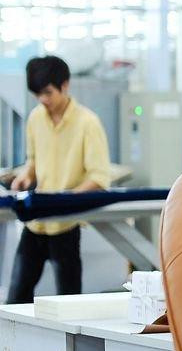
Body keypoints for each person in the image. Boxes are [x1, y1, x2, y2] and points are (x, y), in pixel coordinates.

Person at [7, 55, 112, 303]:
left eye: (48, 93)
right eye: (37, 94)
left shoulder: (88, 123)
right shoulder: (35, 119)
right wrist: (25, 175)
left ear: (65, 85)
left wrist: (68, 200)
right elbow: (34, 160)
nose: (43, 100)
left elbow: (99, 177)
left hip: (65, 223)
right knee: (16, 297)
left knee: (69, 300)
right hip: (36, 222)